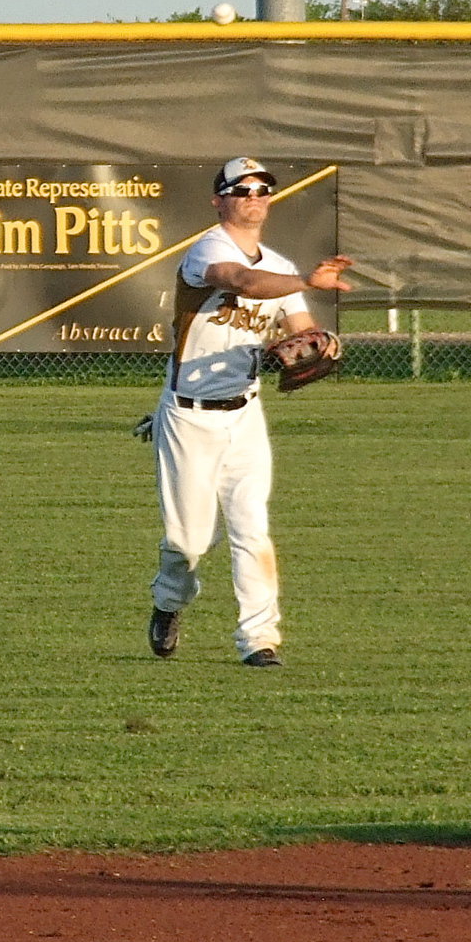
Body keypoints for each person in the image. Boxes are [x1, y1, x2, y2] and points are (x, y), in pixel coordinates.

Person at [147, 157, 352, 667]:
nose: (254, 197)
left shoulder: (281, 266)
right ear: (220, 200)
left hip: (245, 415)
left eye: (263, 189)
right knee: (188, 542)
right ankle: (169, 602)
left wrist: (321, 346)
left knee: (251, 527)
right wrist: (306, 279)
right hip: (188, 415)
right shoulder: (208, 251)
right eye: (241, 190)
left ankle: (259, 640)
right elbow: (240, 281)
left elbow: (299, 326)